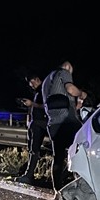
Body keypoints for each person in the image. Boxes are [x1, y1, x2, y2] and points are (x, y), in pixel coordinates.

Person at [41, 60, 88, 190]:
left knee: (58, 157)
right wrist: (81, 94)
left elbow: (64, 101)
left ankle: (58, 190)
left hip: (53, 124)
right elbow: (71, 89)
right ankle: (80, 186)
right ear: (68, 65)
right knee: (81, 150)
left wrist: (77, 104)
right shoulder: (63, 72)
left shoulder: (46, 81)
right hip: (68, 122)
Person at [15, 74, 47, 185]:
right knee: (32, 149)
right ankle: (29, 174)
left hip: (41, 123)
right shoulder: (39, 91)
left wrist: (32, 104)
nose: (32, 86)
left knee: (34, 150)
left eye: (33, 83)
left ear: (38, 79)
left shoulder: (45, 90)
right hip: (36, 123)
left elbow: (46, 106)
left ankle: (29, 175)